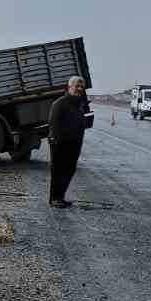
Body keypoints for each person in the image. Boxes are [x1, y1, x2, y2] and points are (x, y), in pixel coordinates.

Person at [47, 76, 90, 208]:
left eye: (81, 86)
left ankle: (60, 197)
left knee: (69, 170)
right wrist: (55, 141)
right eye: (77, 86)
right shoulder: (60, 103)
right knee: (58, 171)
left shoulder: (80, 104)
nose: (80, 89)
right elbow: (53, 123)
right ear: (69, 87)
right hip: (60, 144)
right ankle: (54, 199)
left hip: (75, 143)